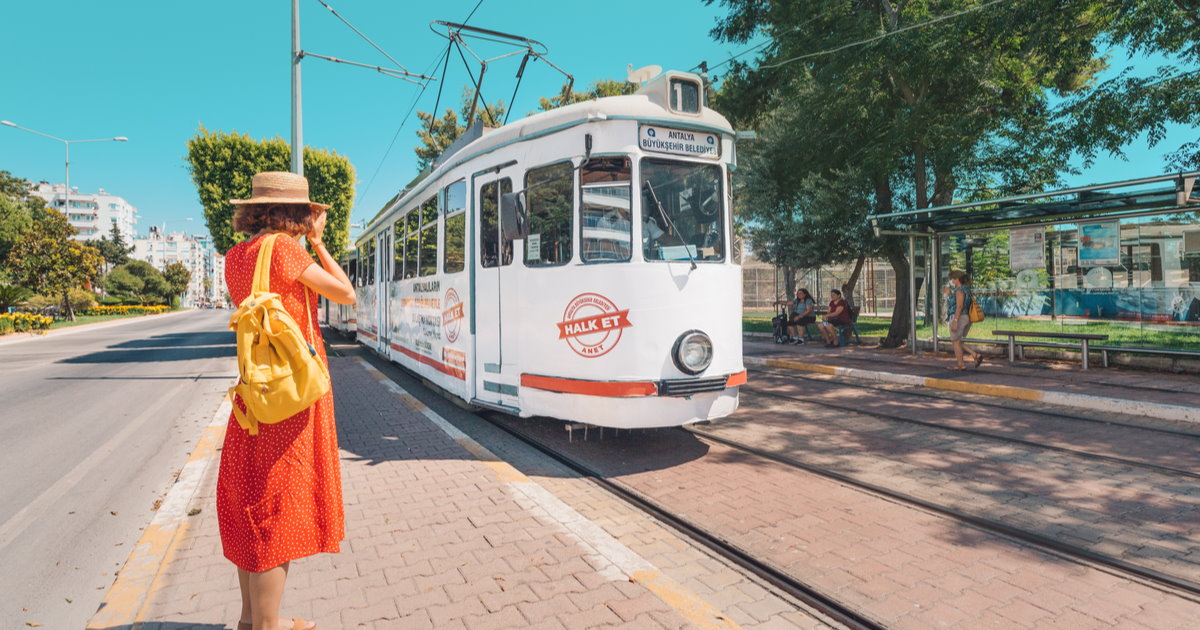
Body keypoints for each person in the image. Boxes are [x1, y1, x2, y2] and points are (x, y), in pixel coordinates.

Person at [219, 171, 356, 630]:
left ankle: (251, 620)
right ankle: (269, 625)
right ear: (296, 213)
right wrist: (319, 244)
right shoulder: (286, 250)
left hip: (254, 396)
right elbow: (347, 294)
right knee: (279, 507)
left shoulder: (235, 257)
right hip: (291, 395)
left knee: (252, 504)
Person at [947, 270, 984, 370]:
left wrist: (955, 320)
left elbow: (959, 306)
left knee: (955, 341)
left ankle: (960, 365)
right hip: (966, 317)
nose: (951, 281)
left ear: (957, 279)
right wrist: (950, 294)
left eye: (952, 279)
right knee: (958, 340)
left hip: (959, 317)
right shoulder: (966, 289)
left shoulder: (959, 290)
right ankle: (975, 355)